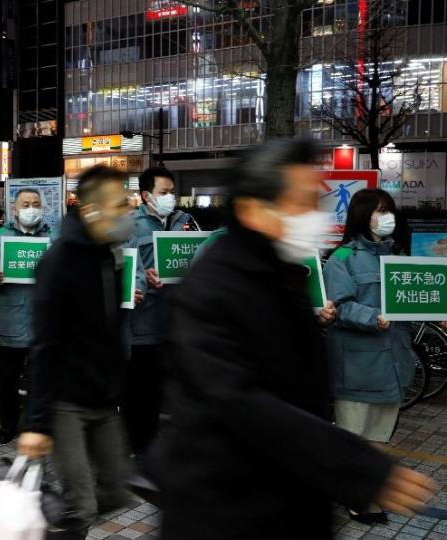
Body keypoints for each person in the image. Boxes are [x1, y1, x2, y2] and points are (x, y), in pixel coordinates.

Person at [147, 139, 435, 540]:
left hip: (282, 499)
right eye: (298, 203)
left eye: (314, 202)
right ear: (252, 209)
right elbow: (238, 401)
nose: (313, 217)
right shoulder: (213, 286)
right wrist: (359, 467)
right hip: (225, 510)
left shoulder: (277, 271)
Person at [18, 166, 143, 540]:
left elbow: (108, 328)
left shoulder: (109, 255)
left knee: (118, 489)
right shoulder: (58, 263)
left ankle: (52, 520)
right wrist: (37, 425)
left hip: (102, 398)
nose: (128, 211)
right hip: (65, 402)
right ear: (91, 211)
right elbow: (44, 344)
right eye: (120, 205)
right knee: (82, 506)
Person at [325, 189, 419, 523]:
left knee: (379, 436)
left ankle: (365, 492)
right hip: (358, 364)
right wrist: (372, 317)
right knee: (353, 437)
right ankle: (354, 497)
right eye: (379, 211)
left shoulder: (399, 257)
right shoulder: (343, 258)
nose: (386, 217)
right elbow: (339, 307)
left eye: (389, 210)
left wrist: (434, 311)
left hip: (393, 363)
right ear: (362, 216)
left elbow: (411, 302)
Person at [123, 166, 199, 457]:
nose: (170, 198)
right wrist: (144, 279)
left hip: (179, 323)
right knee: (140, 390)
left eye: (171, 192)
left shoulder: (187, 223)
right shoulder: (130, 226)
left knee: (170, 389)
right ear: (146, 195)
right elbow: (126, 269)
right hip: (144, 323)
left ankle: (164, 446)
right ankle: (138, 446)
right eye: (163, 193)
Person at [0, 188, 51, 444]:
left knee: (40, 379)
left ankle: (35, 426)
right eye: (26, 204)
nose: (31, 209)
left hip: (42, 322)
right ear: (14, 208)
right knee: (8, 378)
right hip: (9, 320)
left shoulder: (52, 238)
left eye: (36, 204)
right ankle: (8, 425)